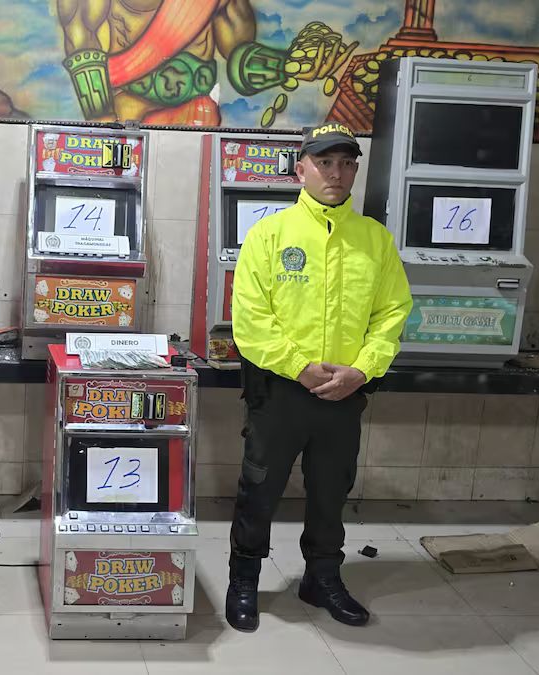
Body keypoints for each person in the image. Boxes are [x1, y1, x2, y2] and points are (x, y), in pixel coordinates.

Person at [226, 122, 411, 632]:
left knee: (332, 490)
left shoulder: (374, 240)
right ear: (300, 169)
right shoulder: (270, 235)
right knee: (259, 489)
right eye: (324, 162)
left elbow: (393, 313)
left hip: (344, 394)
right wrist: (300, 367)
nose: (336, 172)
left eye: (346, 162)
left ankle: (322, 578)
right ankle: (244, 580)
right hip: (282, 392)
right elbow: (251, 319)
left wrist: (362, 370)